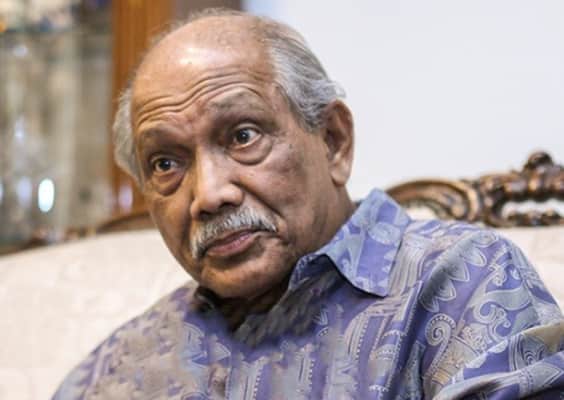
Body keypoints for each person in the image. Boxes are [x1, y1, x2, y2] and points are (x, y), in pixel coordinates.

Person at [53, 9, 564, 400]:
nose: (208, 194)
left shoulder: (461, 281)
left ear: (333, 141)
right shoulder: (122, 364)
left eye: (243, 136)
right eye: (166, 163)